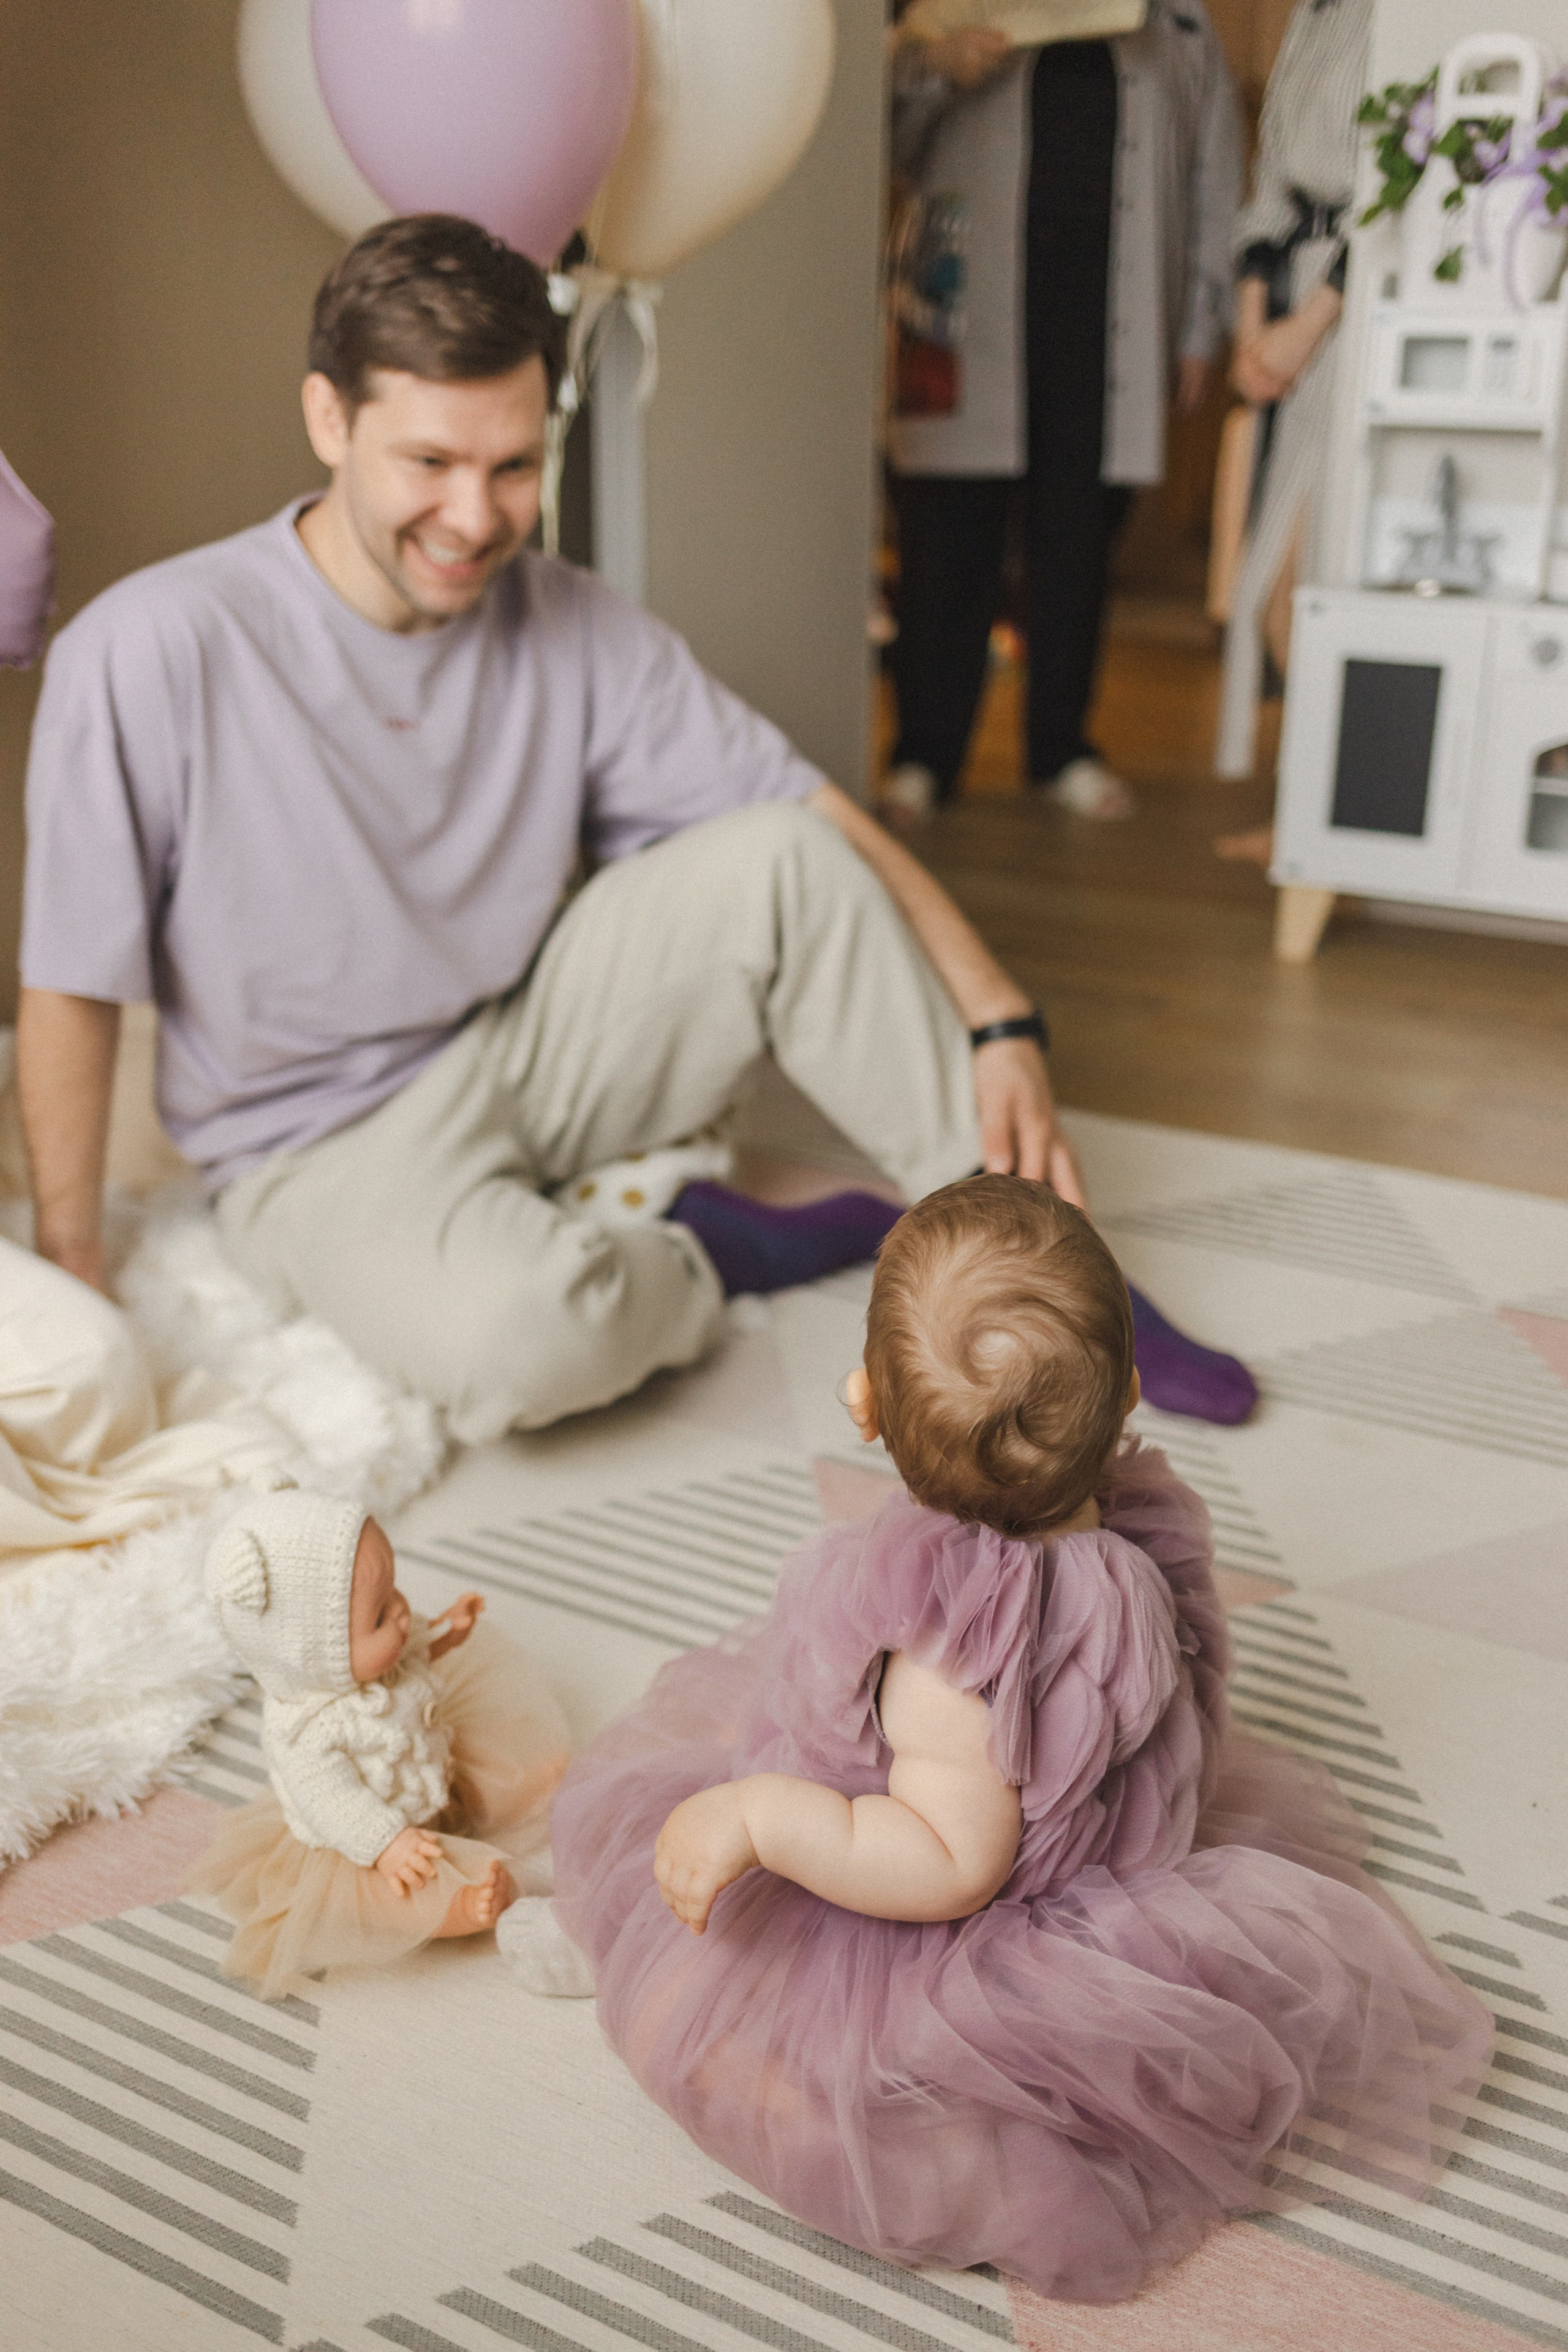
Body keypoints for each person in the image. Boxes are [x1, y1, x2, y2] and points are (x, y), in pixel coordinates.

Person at [17, 213, 1252, 1438]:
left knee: (785, 862)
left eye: (511, 467)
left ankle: (1031, 1280)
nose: (473, 518)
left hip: (527, 1034)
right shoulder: (149, 648)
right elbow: (71, 984)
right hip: (316, 1141)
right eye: (430, 463)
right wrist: (72, 1259)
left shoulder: (565, 615)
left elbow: (807, 821)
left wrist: (999, 1014)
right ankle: (701, 1252)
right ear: (328, 420)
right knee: (530, 1345)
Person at [544, 1176, 1491, 2303]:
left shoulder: (950, 1657)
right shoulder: (1137, 1536)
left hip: (968, 1910)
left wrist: (765, 1817)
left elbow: (949, 1865)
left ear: (865, 1409)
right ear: (1130, 1397)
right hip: (1103, 1821)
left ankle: (888, 2126)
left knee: (694, 2010)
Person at [884, 1, 1242, 821]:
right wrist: (939, 67)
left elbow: (1214, 186)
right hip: (963, 316)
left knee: (1078, 543)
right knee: (945, 537)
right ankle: (923, 755)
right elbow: (879, 143)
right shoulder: (946, 14)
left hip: (1110, 324)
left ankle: (1062, 748)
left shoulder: (1180, 29)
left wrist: (1199, 330)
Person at [190, 1479, 568, 2002]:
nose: (400, 1611)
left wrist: (449, 1632)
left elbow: (415, 1648)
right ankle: (458, 1908)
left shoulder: (385, 1647)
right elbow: (332, 1802)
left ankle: (528, 1790)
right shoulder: (307, 1732)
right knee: (395, 1892)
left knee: (496, 1775)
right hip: (364, 1842)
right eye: (377, 1615)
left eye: (394, 1590)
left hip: (428, 1776)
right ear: (311, 1657)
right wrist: (386, 1844)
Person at [1214, 0, 1374, 837]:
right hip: (1290, 319)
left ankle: (1325, 814)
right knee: (1278, 590)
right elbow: (1269, 190)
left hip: (1355, 317)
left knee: (1304, 589)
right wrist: (1252, 330)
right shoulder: (1309, 18)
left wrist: (1306, 328)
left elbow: (1396, 191)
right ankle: (1316, 809)